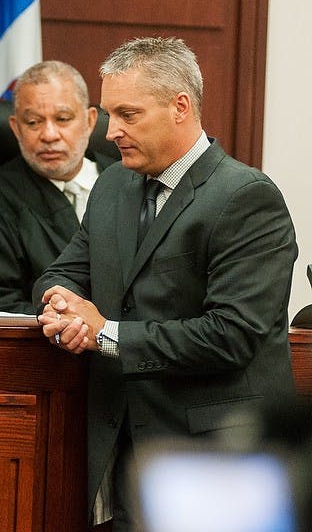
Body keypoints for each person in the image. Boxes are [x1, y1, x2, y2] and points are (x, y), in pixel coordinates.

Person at [35, 37, 297, 531]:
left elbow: (233, 334)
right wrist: (60, 307)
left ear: (181, 107)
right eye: (109, 114)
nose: (111, 132)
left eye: (128, 115)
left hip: (218, 464)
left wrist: (104, 333)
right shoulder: (112, 185)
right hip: (121, 453)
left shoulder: (246, 197)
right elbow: (62, 272)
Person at [0, 60, 116, 313]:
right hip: (48, 344)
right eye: (33, 123)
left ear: (90, 121)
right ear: (16, 128)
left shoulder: (129, 180)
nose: (49, 135)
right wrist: (63, 321)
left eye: (62, 119)